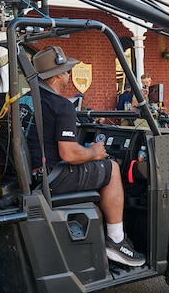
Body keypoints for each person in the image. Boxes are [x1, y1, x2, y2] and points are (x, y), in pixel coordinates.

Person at [25, 45, 145, 267]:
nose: (69, 76)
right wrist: (94, 152)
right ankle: (116, 241)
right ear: (58, 75)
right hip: (53, 177)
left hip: (30, 174)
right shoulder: (61, 105)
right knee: (112, 169)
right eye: (67, 71)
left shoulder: (25, 100)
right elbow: (69, 153)